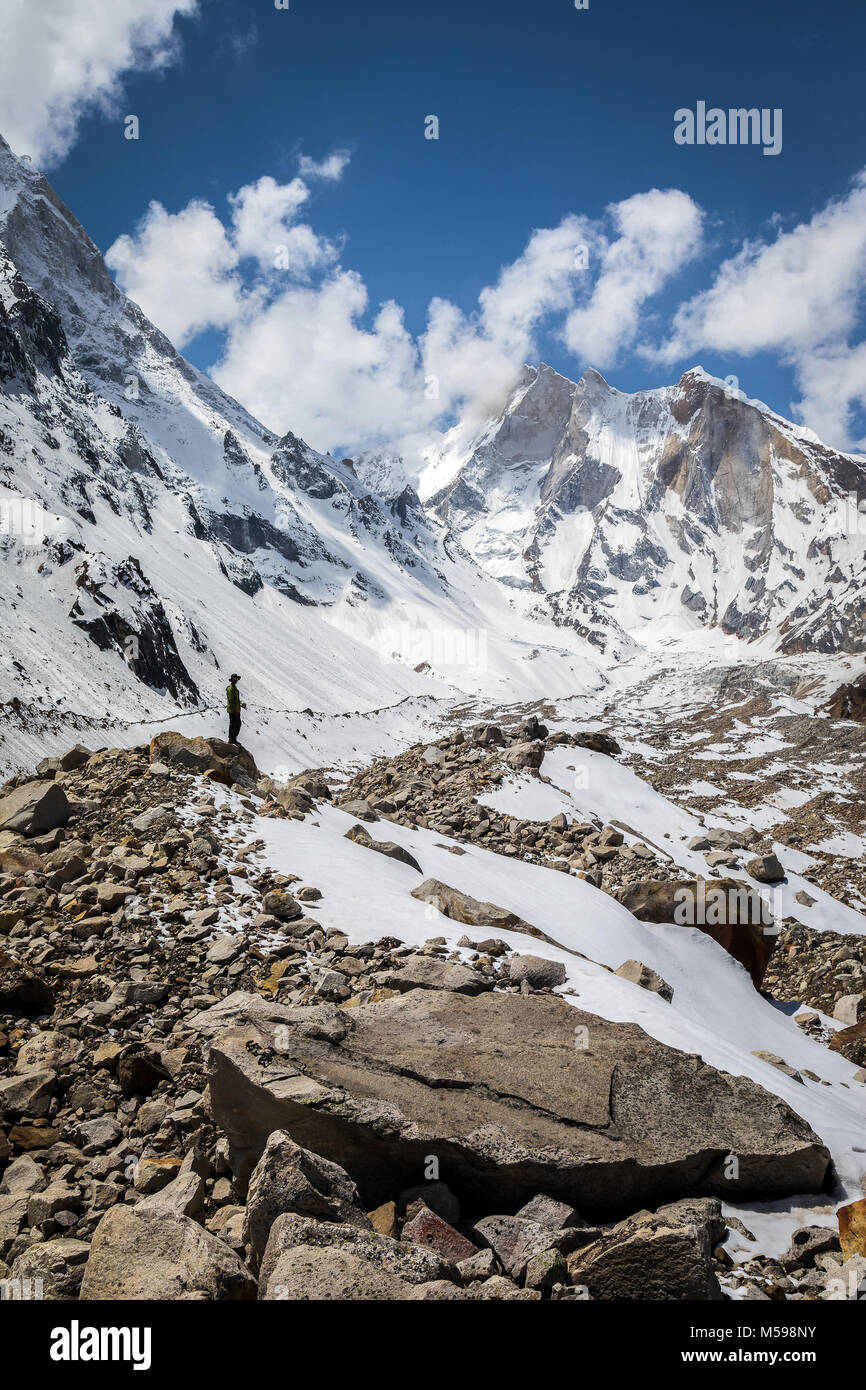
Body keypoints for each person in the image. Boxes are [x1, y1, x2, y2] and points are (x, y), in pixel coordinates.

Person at [226, 673, 245, 743]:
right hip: (233, 711)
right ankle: (231, 739)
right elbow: (231, 700)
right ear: (232, 680)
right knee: (233, 724)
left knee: (237, 724)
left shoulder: (234, 688)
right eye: (235, 678)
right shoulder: (231, 688)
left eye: (236, 679)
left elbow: (236, 700)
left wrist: (240, 704)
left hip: (236, 710)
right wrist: (234, 711)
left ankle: (233, 738)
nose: (236, 680)